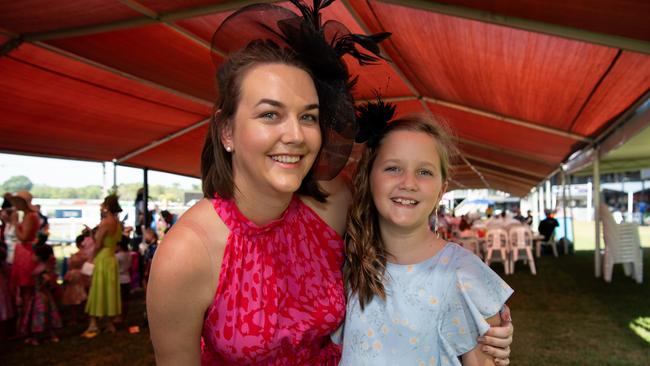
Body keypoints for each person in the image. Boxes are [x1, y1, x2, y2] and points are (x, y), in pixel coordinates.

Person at [147, 1, 513, 364]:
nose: (295, 135)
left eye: (308, 117)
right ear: (227, 130)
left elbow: (407, 236)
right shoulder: (188, 254)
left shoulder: (333, 204)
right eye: (270, 114)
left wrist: (478, 312)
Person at [340, 109, 513, 365]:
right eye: (393, 168)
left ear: (442, 189)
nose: (408, 182)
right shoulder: (348, 258)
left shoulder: (465, 275)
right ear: (368, 176)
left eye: (424, 172)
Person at [82, 194, 122, 338]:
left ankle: (93, 324)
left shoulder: (105, 222)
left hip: (103, 259)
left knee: (98, 290)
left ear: (106, 206)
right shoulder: (118, 223)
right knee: (110, 291)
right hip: (111, 259)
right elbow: (112, 242)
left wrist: (91, 258)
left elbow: (98, 244)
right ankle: (109, 323)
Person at [8, 191, 40, 337]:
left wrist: (14, 224)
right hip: (24, 253)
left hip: (25, 255)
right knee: (24, 291)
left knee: (26, 291)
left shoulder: (29, 216)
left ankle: (26, 326)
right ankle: (25, 325)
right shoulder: (29, 216)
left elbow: (24, 237)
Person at [21, 244, 62, 345]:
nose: (32, 256)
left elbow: (47, 279)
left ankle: (35, 338)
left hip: (40, 296)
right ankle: (52, 336)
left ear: (39, 256)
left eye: (34, 254)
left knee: (38, 316)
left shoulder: (41, 268)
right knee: (48, 316)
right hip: (45, 295)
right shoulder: (46, 266)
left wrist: (40, 286)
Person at [62, 235, 88, 325]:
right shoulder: (88, 255)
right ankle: (82, 316)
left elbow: (70, 267)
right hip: (84, 276)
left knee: (74, 298)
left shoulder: (76, 256)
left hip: (76, 277)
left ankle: (75, 318)